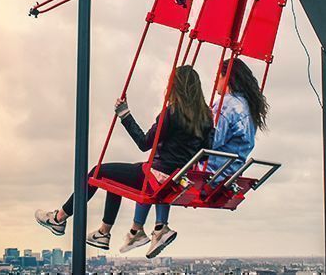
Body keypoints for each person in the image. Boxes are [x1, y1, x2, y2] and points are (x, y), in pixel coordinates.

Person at [34, 65, 213, 254]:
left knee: (97, 172)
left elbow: (144, 143)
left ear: (175, 86)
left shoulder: (172, 112)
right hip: (176, 179)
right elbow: (207, 153)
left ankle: (59, 218)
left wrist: (125, 115)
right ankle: (103, 232)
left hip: (155, 176)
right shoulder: (207, 117)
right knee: (115, 179)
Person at [127, 57, 269, 257]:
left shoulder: (227, 104)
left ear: (226, 78)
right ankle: (157, 228)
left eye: (217, 77)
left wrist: (184, 127)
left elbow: (210, 141)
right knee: (164, 167)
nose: (214, 83)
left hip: (211, 173)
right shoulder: (248, 107)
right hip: (230, 174)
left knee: (157, 170)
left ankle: (138, 229)